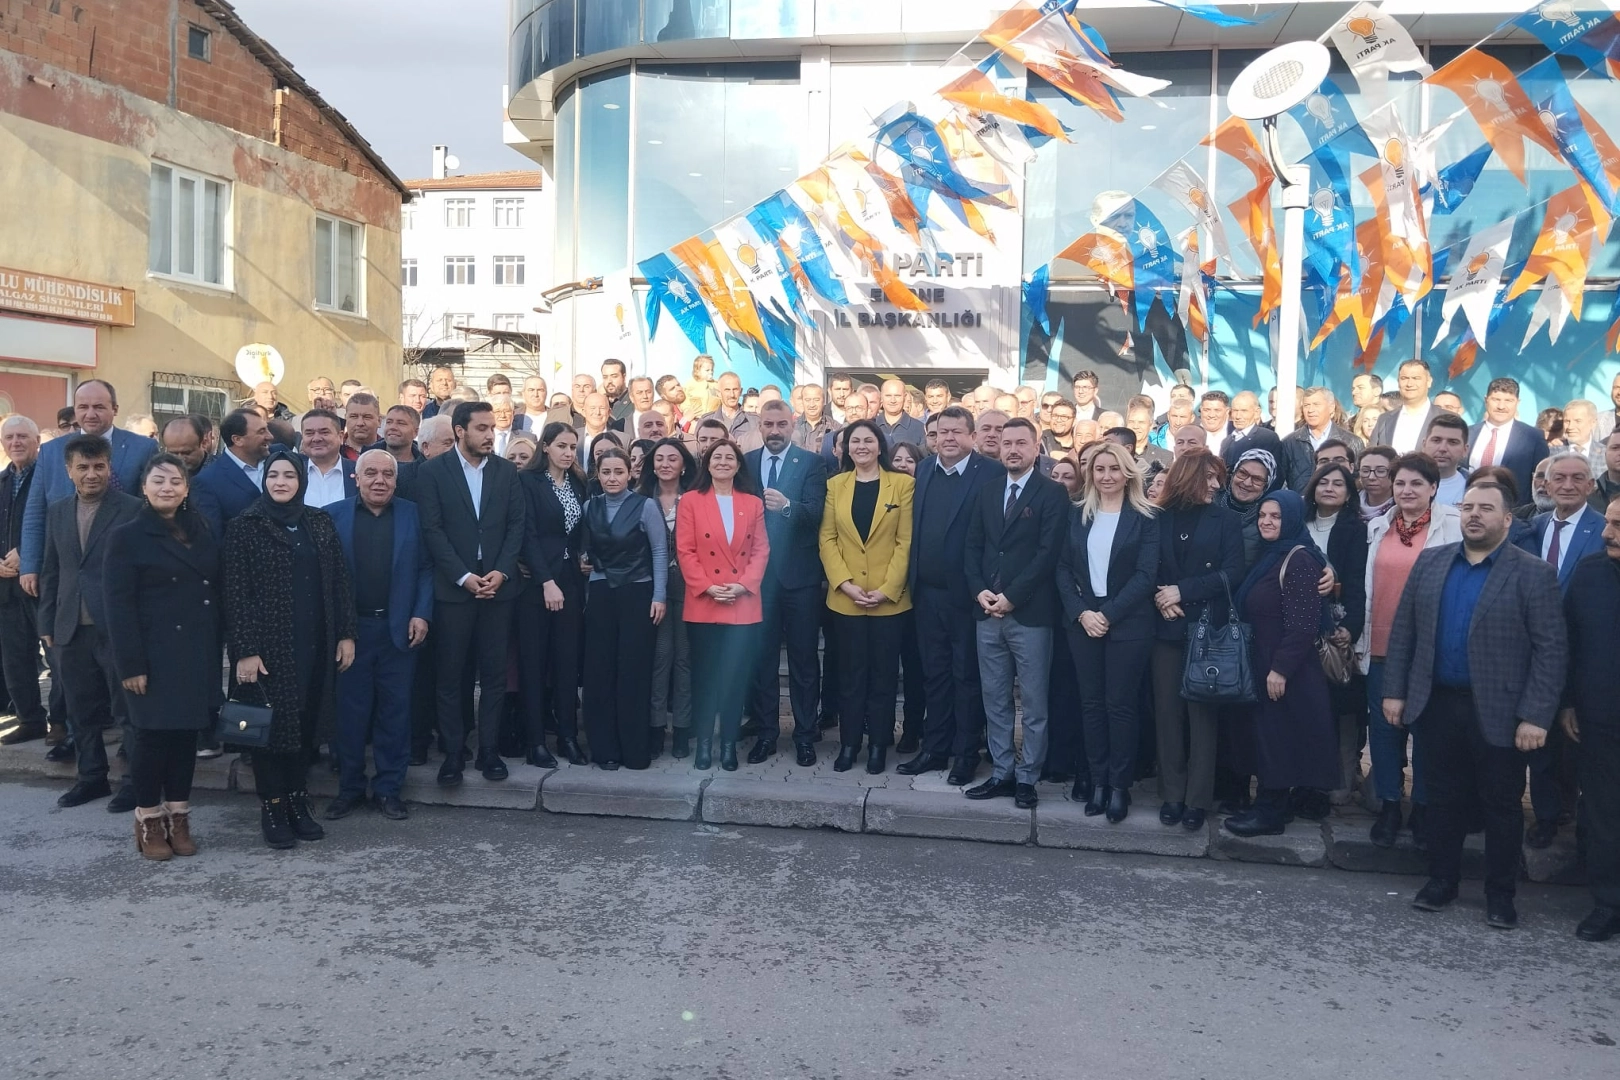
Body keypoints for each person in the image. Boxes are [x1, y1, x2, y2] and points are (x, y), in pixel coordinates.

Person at [1383, 481, 1565, 929]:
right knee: (1442, 799)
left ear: (1508, 519)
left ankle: (1500, 894)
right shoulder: (1431, 562)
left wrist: (1536, 716)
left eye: (1486, 508)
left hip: (1501, 711)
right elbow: (1404, 632)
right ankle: (1441, 881)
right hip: (1438, 704)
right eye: (1468, 507)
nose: (1474, 515)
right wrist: (1395, 691)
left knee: (1501, 806)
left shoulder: (1533, 573)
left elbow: (1551, 650)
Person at [222, 452, 355, 849]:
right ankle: (273, 807)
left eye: (289, 475)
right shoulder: (245, 526)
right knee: (268, 729)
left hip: (314, 642)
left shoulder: (319, 522)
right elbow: (235, 595)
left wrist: (346, 634)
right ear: (264, 481)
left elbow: (340, 582)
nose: (281, 482)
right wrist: (245, 650)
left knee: (305, 725)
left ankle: (298, 801)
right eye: (273, 475)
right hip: (267, 648)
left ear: (301, 481)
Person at [102, 454, 220, 858]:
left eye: (175, 481)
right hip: (150, 656)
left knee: (185, 738)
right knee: (151, 739)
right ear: (144, 487)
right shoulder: (127, 536)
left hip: (195, 653)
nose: (167, 487)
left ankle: (179, 817)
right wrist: (131, 665)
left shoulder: (200, 529)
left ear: (186, 489)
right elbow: (118, 607)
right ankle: (149, 819)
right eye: (158, 481)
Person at [415, 401, 526, 786]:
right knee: (450, 675)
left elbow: (516, 525)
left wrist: (502, 571)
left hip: (498, 587)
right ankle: (453, 753)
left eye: (492, 428)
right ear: (460, 431)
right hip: (454, 589)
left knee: (494, 674)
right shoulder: (432, 472)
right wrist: (462, 576)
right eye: (481, 428)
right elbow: (432, 530)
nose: (489, 434)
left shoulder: (506, 471)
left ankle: (489, 752)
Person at [1359, 453, 1462, 847]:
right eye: (1400, 483)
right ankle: (1389, 804)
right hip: (1381, 644)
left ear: (1433, 487)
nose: (1407, 490)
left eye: (1417, 483)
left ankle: (1422, 805)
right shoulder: (1379, 526)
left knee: (1425, 730)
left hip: (1429, 648)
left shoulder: (1452, 525)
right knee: (1384, 730)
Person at [963, 418, 1066, 808]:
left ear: (1036, 448)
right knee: (995, 699)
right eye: (1007, 443)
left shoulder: (1052, 493)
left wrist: (1012, 597)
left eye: (1021, 443)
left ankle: (1027, 777)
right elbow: (973, 547)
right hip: (987, 612)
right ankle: (1002, 772)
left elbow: (1048, 554)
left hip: (1030, 614)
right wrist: (979, 591)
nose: (1012, 449)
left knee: (1034, 703)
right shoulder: (988, 491)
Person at [324, 451, 433, 820]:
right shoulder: (332, 516)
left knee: (395, 713)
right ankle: (350, 789)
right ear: (356, 478)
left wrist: (421, 612)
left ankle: (389, 789)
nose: (380, 480)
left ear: (396, 480)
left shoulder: (413, 515)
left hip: (398, 631)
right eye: (370, 473)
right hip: (351, 634)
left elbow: (426, 568)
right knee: (350, 715)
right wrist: (339, 629)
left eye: (388, 474)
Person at [1223, 491, 1339, 836]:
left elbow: (1304, 624)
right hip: (1265, 662)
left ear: (1290, 519)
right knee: (1272, 737)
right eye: (1263, 515)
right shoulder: (1271, 554)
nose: (1266, 522)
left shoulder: (1299, 559)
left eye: (1275, 516)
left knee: (1277, 738)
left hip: (1285, 668)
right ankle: (1276, 806)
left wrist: (1281, 670)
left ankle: (1269, 812)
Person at [898, 406, 1003, 784]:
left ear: (972, 437)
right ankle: (935, 749)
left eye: (957, 432)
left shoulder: (990, 473)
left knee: (966, 677)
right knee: (935, 674)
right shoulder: (925, 469)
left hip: (969, 596)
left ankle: (965, 754)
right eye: (943, 432)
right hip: (927, 594)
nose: (949, 439)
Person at [1057, 442, 1159, 821]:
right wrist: (1082, 613)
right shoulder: (1077, 514)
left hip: (1128, 624)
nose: (1106, 476)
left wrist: (1107, 614)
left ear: (1127, 473)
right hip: (1083, 622)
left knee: (1120, 706)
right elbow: (1062, 568)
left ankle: (1119, 786)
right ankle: (1097, 781)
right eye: (1099, 469)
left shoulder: (1146, 517)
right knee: (1091, 705)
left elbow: (1146, 575)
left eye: (1114, 469)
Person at [38, 435, 141, 808]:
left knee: (127, 710)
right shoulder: (58, 511)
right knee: (80, 710)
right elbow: (52, 570)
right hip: (69, 627)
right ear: (69, 470)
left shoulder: (132, 509)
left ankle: (135, 782)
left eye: (99, 466)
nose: (91, 474)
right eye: (83, 467)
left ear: (109, 468)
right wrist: (46, 623)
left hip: (115, 627)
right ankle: (92, 778)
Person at [1515, 451, 1605, 847]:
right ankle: (1546, 816)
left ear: (1591, 485)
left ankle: (1580, 819)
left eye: (1577, 478)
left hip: (1583, 652)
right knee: (1540, 742)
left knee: (1575, 742)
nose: (1568, 485)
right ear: (1546, 484)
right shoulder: (1529, 529)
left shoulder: (1604, 530)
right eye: (1560, 478)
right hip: (1530, 652)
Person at [1151, 450, 1245, 832]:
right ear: (1187, 476)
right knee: (1167, 714)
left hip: (1207, 628)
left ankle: (1197, 799)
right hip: (1165, 626)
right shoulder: (1157, 517)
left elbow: (1233, 572)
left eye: (1218, 477)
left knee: (1202, 716)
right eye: (1209, 477)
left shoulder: (1226, 520)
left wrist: (1182, 591)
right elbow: (1144, 567)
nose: (1217, 485)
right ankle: (1172, 794)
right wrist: (1161, 598)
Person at [819, 420, 913, 774]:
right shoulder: (835, 485)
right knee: (850, 676)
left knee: (884, 677)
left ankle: (877, 746)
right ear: (845, 448)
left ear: (880, 446)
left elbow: (905, 542)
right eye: (854, 441)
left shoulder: (902, 485)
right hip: (847, 600)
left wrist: (887, 589)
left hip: (889, 601)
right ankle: (849, 744)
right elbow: (827, 539)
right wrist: (844, 583)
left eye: (868, 440)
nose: (861, 446)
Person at [744, 401, 828, 766]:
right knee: (762, 661)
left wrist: (788, 506)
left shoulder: (811, 463)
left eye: (781, 424)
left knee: (804, 662)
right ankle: (766, 734)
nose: (775, 430)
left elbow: (817, 513)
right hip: (758, 580)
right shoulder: (746, 462)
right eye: (768, 424)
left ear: (792, 426)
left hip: (800, 579)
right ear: (760, 427)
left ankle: (805, 736)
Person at [675, 440, 767, 771]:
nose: (723, 462)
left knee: (734, 679)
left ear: (739, 465)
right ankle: (703, 744)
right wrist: (707, 586)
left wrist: (743, 585)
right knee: (705, 679)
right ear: (707, 464)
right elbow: (685, 550)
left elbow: (761, 550)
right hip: (704, 602)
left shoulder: (753, 503)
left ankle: (729, 745)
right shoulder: (690, 501)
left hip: (742, 603)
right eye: (717, 457)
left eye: (730, 457)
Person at [580, 446, 666, 769]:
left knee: (633, 670)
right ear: (598, 475)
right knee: (599, 670)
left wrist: (659, 596)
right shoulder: (590, 506)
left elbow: (659, 552)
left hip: (638, 592)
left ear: (630, 473)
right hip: (601, 592)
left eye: (619, 472)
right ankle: (604, 749)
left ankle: (634, 750)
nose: (612, 478)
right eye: (606, 472)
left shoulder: (646, 506)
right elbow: (586, 550)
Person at [20, 380, 156, 584]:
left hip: (122, 567)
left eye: (99, 407)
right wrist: (30, 565)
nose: (90, 414)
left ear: (115, 409)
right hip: (67, 570)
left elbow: (151, 511)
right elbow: (35, 512)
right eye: (83, 407)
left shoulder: (143, 448)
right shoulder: (51, 451)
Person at [1561, 493, 1620, 940]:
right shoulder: (1590, 573)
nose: (1606, 533)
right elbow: (1569, 643)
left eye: (1616, 526)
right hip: (1601, 720)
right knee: (1604, 812)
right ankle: (1608, 903)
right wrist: (1567, 703)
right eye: (1608, 523)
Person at [518, 423, 590, 767]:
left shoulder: (578, 482)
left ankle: (567, 737)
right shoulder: (528, 482)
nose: (568, 453)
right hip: (536, 583)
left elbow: (580, 532)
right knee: (533, 663)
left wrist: (584, 557)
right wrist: (545, 580)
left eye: (573, 447)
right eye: (561, 445)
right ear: (545, 446)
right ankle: (535, 742)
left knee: (566, 661)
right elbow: (527, 534)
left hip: (570, 579)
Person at [1304, 462, 1368, 801]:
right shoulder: (1299, 522)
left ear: (1348, 493)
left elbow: (1357, 582)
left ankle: (1335, 781)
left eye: (1338, 484)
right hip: (1295, 625)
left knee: (1335, 707)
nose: (1329, 488)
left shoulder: (1355, 529)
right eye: (1323, 482)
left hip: (1334, 626)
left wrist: (1350, 627)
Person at [640, 437, 697, 758]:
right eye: (659, 458)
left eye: (672, 458)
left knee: (684, 658)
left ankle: (683, 729)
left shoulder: (696, 498)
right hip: (653, 590)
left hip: (690, 588)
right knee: (660, 657)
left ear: (684, 465)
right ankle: (655, 726)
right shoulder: (640, 498)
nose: (665, 464)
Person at [0, 415, 47, 746]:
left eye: (22, 436)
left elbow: (56, 523)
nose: (15, 442)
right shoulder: (1, 482)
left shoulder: (49, 478)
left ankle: (65, 722)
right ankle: (30, 720)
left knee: (57, 658)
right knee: (15, 658)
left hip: (42, 582)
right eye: (9, 437)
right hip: (6, 588)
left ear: (37, 441)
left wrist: (29, 553)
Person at [192, 408, 273, 538]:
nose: (270, 436)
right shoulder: (208, 482)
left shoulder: (280, 459)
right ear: (237, 440)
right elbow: (213, 537)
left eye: (267, 429)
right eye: (261, 432)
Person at [1467, 377, 1547, 505]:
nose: (1501, 406)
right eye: (1496, 399)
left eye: (1508, 400)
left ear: (1517, 402)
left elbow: (1541, 478)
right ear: (1486, 400)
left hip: (1515, 511)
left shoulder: (1533, 437)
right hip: (1468, 508)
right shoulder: (1468, 433)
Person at [1282, 388, 1363, 492]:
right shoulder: (1289, 442)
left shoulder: (1352, 442)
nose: (1310, 410)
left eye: (1316, 404)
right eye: (1306, 405)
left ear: (1331, 407)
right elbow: (1281, 480)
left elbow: (1359, 479)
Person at [1219, 448, 1281, 567]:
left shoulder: (1267, 519)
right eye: (1242, 473)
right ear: (1233, 474)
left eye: (1257, 479)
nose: (1247, 483)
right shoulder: (1210, 501)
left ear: (1266, 486)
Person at [1372, 359, 1442, 453]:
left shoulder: (1445, 418)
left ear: (1429, 381)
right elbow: (1372, 455)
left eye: (1416, 378)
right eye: (1404, 378)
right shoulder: (1384, 420)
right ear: (1398, 382)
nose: (1409, 384)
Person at [297, 410, 357, 509]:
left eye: (324, 432)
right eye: (309, 433)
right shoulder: (294, 473)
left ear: (340, 437)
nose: (316, 439)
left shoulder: (358, 472)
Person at [699, 371, 761, 452]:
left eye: (735, 389)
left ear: (741, 391)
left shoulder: (754, 421)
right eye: (727, 390)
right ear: (718, 393)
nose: (732, 395)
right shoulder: (706, 420)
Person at [1221, 391, 1282, 470]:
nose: (1238, 416)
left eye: (1244, 411)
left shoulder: (1267, 439)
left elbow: (1275, 471)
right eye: (1235, 411)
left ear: (1257, 413)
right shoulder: (1226, 441)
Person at [1421, 412, 1471, 506]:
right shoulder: (1400, 483)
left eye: (1452, 442)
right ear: (1424, 444)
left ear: (1465, 450)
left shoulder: (1475, 487)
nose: (1442, 448)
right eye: (1436, 440)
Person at [1356, 446, 1397, 521]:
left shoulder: (1402, 509)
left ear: (1394, 474)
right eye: (1365, 471)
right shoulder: (1348, 503)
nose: (1371, 477)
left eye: (1380, 471)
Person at [340, 394, 381, 461]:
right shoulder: (332, 451)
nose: (360, 423)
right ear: (346, 419)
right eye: (354, 416)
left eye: (367, 417)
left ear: (379, 421)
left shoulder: (391, 451)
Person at [1562, 398, 1602, 463]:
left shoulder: (1606, 453)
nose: (1570, 427)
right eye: (1567, 421)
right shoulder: (1551, 452)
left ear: (1593, 423)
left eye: (1578, 421)